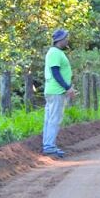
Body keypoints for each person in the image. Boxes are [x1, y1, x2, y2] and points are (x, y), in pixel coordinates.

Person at [43, 29, 76, 158]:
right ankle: (49, 147)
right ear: (60, 40)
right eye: (66, 38)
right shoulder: (55, 53)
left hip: (53, 90)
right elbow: (56, 73)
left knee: (49, 119)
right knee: (54, 119)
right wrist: (67, 87)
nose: (67, 40)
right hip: (57, 91)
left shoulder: (55, 52)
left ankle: (48, 145)